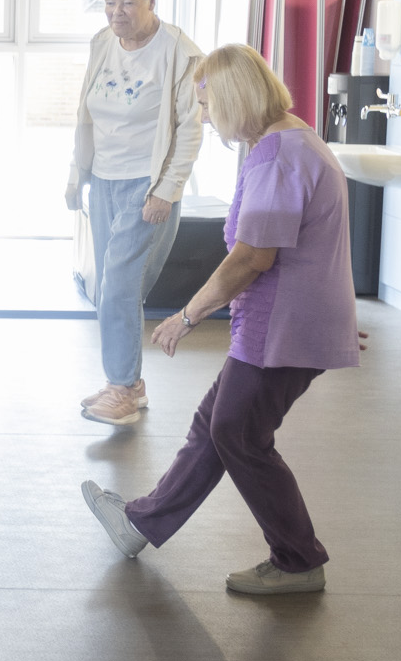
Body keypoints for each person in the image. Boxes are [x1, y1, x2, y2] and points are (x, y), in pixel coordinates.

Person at [81, 43, 362, 596]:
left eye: (206, 105)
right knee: (218, 426)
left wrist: (186, 316)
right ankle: (140, 523)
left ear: (234, 97)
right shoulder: (291, 141)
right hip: (285, 323)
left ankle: (298, 560)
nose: (205, 119)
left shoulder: (279, 156)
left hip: (278, 330)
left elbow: (252, 258)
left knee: (238, 434)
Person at [66, 0, 204, 426]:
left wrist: (168, 189)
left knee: (121, 284)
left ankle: (121, 387)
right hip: (103, 180)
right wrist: (77, 175)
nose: (117, 12)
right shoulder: (102, 43)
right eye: (109, 2)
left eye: (127, 3)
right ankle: (130, 385)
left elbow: (190, 129)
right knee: (111, 286)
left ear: (151, 2)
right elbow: (86, 114)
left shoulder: (180, 52)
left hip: (148, 185)